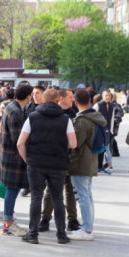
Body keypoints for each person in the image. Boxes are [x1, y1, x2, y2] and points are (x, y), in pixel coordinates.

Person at [17, 88, 77, 245]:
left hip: (36, 162)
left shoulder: (33, 117)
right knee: (58, 197)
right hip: (58, 163)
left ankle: (33, 234)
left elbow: (20, 142)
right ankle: (61, 235)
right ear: (58, 100)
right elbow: (73, 143)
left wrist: (27, 159)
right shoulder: (65, 119)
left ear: (43, 100)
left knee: (36, 197)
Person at [39, 89, 79, 232]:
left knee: (70, 190)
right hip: (55, 159)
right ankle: (45, 219)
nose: (73, 100)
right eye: (70, 97)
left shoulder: (73, 114)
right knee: (51, 190)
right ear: (60, 99)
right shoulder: (54, 115)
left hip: (70, 157)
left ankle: (72, 220)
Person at [68, 89, 105, 241]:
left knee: (83, 195)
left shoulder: (82, 120)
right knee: (87, 195)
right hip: (92, 160)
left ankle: (87, 229)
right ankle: (89, 227)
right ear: (89, 100)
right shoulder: (96, 117)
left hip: (81, 161)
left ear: (75, 102)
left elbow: (75, 144)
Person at [0, 85, 33, 237]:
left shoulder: (11, 107)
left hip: (8, 156)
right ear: (28, 96)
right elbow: (18, 139)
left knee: (11, 190)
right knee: (12, 190)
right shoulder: (16, 111)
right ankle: (8, 224)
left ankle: (8, 222)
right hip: (13, 157)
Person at [93, 90, 123, 174]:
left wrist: (111, 130)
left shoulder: (112, 106)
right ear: (102, 96)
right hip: (98, 129)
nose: (108, 97)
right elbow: (93, 116)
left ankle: (100, 166)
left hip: (107, 130)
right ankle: (97, 166)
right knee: (98, 148)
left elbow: (112, 119)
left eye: (109, 96)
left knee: (104, 148)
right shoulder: (97, 105)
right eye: (106, 95)